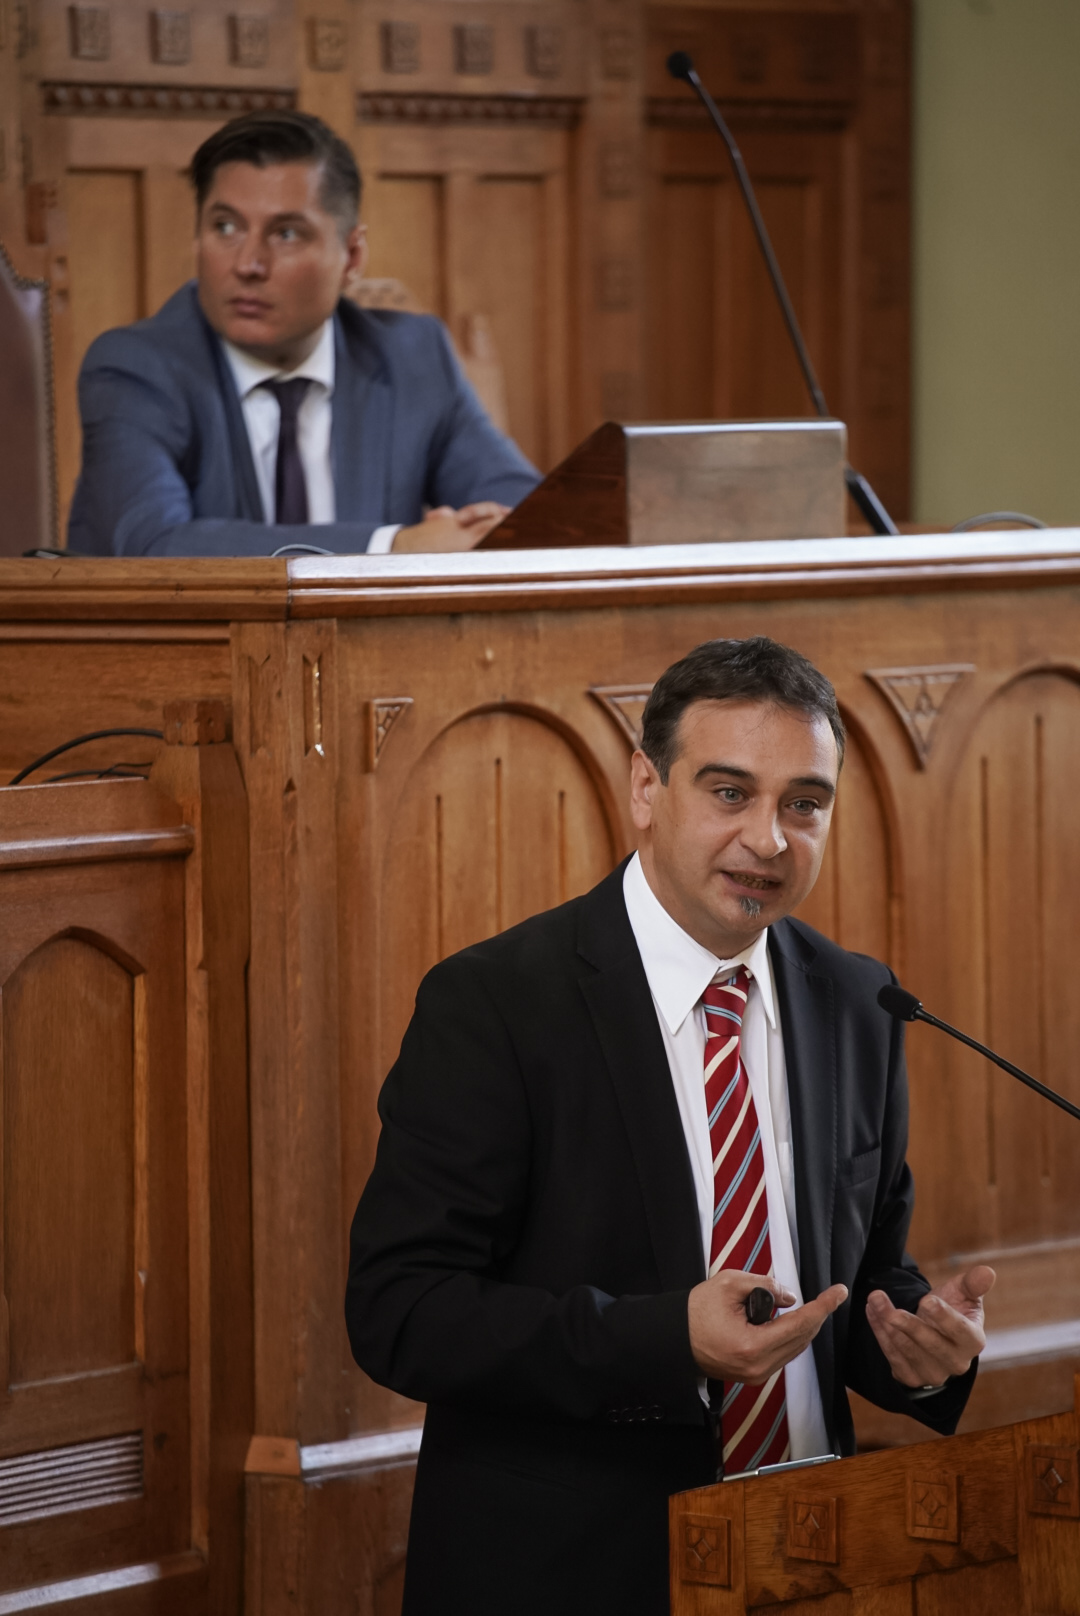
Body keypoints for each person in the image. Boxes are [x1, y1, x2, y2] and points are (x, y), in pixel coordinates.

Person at [345, 636, 994, 1616]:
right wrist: (664, 1338)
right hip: (574, 1574)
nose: (769, 839)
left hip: (812, 1554)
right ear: (646, 787)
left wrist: (917, 1345)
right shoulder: (497, 1004)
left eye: (804, 803)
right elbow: (401, 1311)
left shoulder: (860, 1002)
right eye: (730, 792)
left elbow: (860, 1273)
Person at [67, 111, 539, 557]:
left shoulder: (412, 356)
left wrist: (484, 530)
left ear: (352, 257)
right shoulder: (135, 368)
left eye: (286, 234)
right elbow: (155, 546)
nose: (248, 264)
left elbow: (532, 515)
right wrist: (393, 548)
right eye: (225, 227)